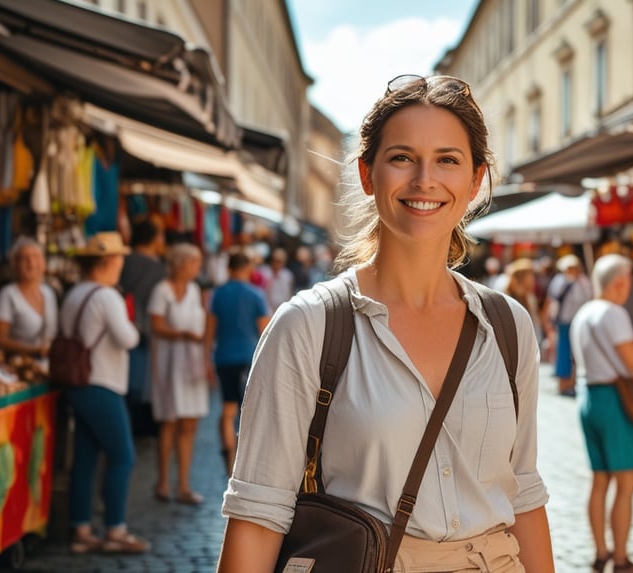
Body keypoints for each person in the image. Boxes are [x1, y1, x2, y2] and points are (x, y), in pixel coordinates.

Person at [218, 74, 554, 572]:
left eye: (447, 159)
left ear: (476, 179)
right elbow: (258, 514)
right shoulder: (308, 327)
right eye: (402, 157)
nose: (424, 180)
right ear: (368, 173)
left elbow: (522, 492)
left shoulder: (508, 327)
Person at [570, 254, 633, 573]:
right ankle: (621, 559)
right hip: (615, 401)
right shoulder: (613, 313)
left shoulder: (584, 313)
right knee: (625, 483)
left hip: (589, 398)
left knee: (599, 481)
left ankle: (600, 552)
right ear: (621, 281)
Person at [59, 232, 148, 555]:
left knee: (85, 458)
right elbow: (128, 339)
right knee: (123, 456)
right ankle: (115, 530)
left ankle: (81, 529)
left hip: (78, 384)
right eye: (120, 258)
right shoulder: (107, 296)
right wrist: (134, 327)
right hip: (102, 384)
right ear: (109, 261)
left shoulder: (74, 294)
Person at [148, 244, 209, 505]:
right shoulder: (161, 290)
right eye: (194, 262)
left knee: (189, 423)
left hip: (191, 363)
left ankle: (183, 484)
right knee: (170, 421)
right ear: (181, 263)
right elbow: (156, 325)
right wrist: (182, 334)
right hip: (170, 364)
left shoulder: (194, 291)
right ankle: (163, 482)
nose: (198, 267)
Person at [207, 250, 269, 475]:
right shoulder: (256, 295)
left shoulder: (218, 294)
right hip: (249, 358)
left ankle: (229, 462)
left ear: (229, 269)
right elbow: (265, 331)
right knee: (250, 411)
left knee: (227, 411)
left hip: (224, 357)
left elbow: (210, 330)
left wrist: (206, 359)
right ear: (248, 270)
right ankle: (246, 463)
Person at [118, 220, 166, 437]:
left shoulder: (123, 260)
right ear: (154, 238)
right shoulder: (157, 268)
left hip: (118, 323)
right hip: (143, 330)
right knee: (137, 385)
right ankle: (131, 429)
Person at [0, 238, 57, 357]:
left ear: (44, 263)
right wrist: (33, 350)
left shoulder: (48, 293)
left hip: (47, 363)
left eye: (36, 257)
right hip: (19, 364)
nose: (31, 263)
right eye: (24, 259)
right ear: (15, 265)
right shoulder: (8, 294)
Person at [547, 253, 593, 396]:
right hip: (565, 321)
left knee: (577, 353)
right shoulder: (560, 280)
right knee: (564, 352)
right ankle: (563, 384)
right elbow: (553, 297)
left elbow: (589, 296)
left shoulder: (583, 281)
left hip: (578, 322)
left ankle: (572, 383)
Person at [503, 258, 541, 341]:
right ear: (522, 277)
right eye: (531, 275)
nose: (533, 279)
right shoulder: (507, 298)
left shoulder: (530, 298)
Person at [260, 247, 294, 312]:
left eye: (280, 261)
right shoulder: (263, 272)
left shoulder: (288, 275)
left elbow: (289, 293)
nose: (277, 264)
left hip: (281, 310)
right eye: (276, 260)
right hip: (266, 310)